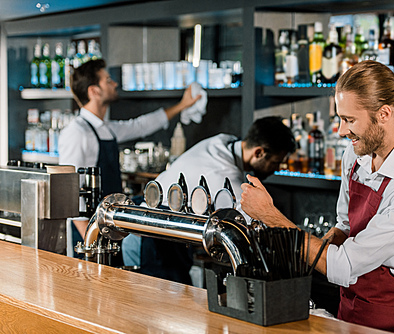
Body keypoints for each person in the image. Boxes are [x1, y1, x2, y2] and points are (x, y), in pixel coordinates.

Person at [240, 60, 394, 334]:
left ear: (384, 113)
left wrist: (271, 218)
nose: (341, 131)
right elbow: (345, 227)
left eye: (349, 120)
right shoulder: (356, 154)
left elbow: (346, 263)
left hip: (392, 316)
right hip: (349, 305)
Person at [121, 116, 296, 284]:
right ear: (259, 152)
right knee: (163, 307)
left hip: (154, 225)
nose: (276, 169)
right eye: (275, 163)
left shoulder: (223, 141)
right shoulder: (224, 174)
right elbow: (252, 225)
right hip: (151, 236)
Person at [59, 59, 201, 250]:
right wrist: (91, 243)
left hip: (110, 227)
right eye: (108, 80)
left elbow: (140, 126)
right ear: (94, 91)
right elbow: (70, 193)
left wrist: (182, 105)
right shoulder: (77, 132)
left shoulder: (105, 128)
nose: (114, 84)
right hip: (91, 233)